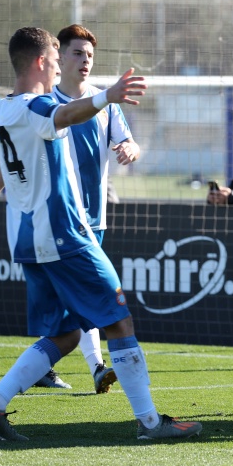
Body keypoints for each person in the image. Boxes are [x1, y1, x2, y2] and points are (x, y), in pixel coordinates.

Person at [0, 27, 201, 441]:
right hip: (62, 235)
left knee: (66, 332)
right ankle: (151, 423)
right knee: (119, 320)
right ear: (40, 62)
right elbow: (66, 114)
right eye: (56, 60)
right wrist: (105, 97)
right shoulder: (39, 106)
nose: (59, 67)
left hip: (25, 239)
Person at [31, 24, 141, 394]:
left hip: (94, 219)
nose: (85, 61)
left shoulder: (104, 103)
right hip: (59, 221)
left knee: (71, 306)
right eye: (77, 53)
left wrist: (130, 150)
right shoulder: (44, 105)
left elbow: (129, 143)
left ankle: (40, 366)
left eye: (90, 55)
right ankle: (96, 367)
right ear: (59, 57)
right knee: (96, 301)